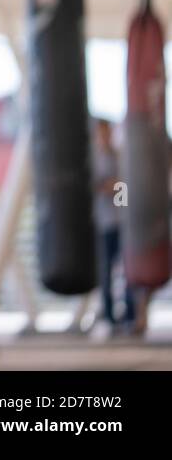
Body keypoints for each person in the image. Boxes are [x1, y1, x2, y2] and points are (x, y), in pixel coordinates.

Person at [91, 117, 133, 336]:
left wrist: (113, 186)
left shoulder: (119, 156)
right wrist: (114, 185)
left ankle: (129, 315)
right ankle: (109, 316)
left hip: (121, 223)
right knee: (106, 272)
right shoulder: (94, 159)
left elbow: (123, 191)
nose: (106, 136)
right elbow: (101, 187)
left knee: (127, 270)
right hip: (104, 222)